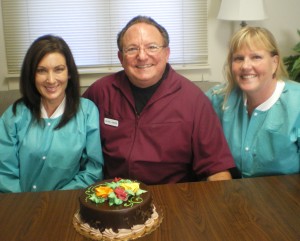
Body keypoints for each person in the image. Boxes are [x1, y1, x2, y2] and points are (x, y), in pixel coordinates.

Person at [82, 15, 235, 185]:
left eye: (152, 47)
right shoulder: (100, 93)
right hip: (112, 197)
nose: (142, 56)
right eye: (132, 49)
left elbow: (217, 169)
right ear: (120, 57)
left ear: (166, 53)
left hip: (172, 197)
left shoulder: (194, 101)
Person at [0, 34, 104, 192]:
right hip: (20, 205)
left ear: (69, 72)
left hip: (67, 204)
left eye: (58, 69)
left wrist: (53, 202)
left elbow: (92, 172)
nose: (51, 80)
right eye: (41, 71)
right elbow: (4, 173)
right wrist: (24, 204)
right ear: (31, 75)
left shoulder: (87, 112)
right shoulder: (14, 115)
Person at [206, 26, 300, 178]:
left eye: (256, 57)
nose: (245, 66)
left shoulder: (297, 102)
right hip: (233, 194)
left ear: (274, 62)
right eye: (238, 58)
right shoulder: (219, 98)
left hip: (286, 196)